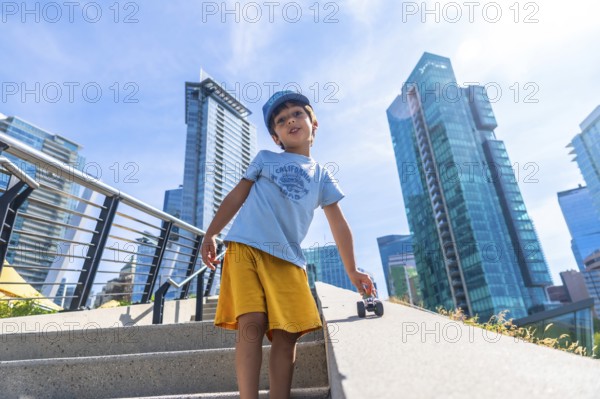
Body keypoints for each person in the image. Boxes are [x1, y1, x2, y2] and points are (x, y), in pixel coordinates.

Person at [200, 90, 375, 399]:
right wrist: (211, 232)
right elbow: (237, 196)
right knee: (251, 323)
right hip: (244, 247)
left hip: (287, 258)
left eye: (297, 114)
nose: (290, 120)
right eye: (281, 120)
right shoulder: (265, 160)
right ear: (276, 137)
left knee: (287, 332)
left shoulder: (322, 175)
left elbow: (339, 224)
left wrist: (352, 270)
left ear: (313, 124)